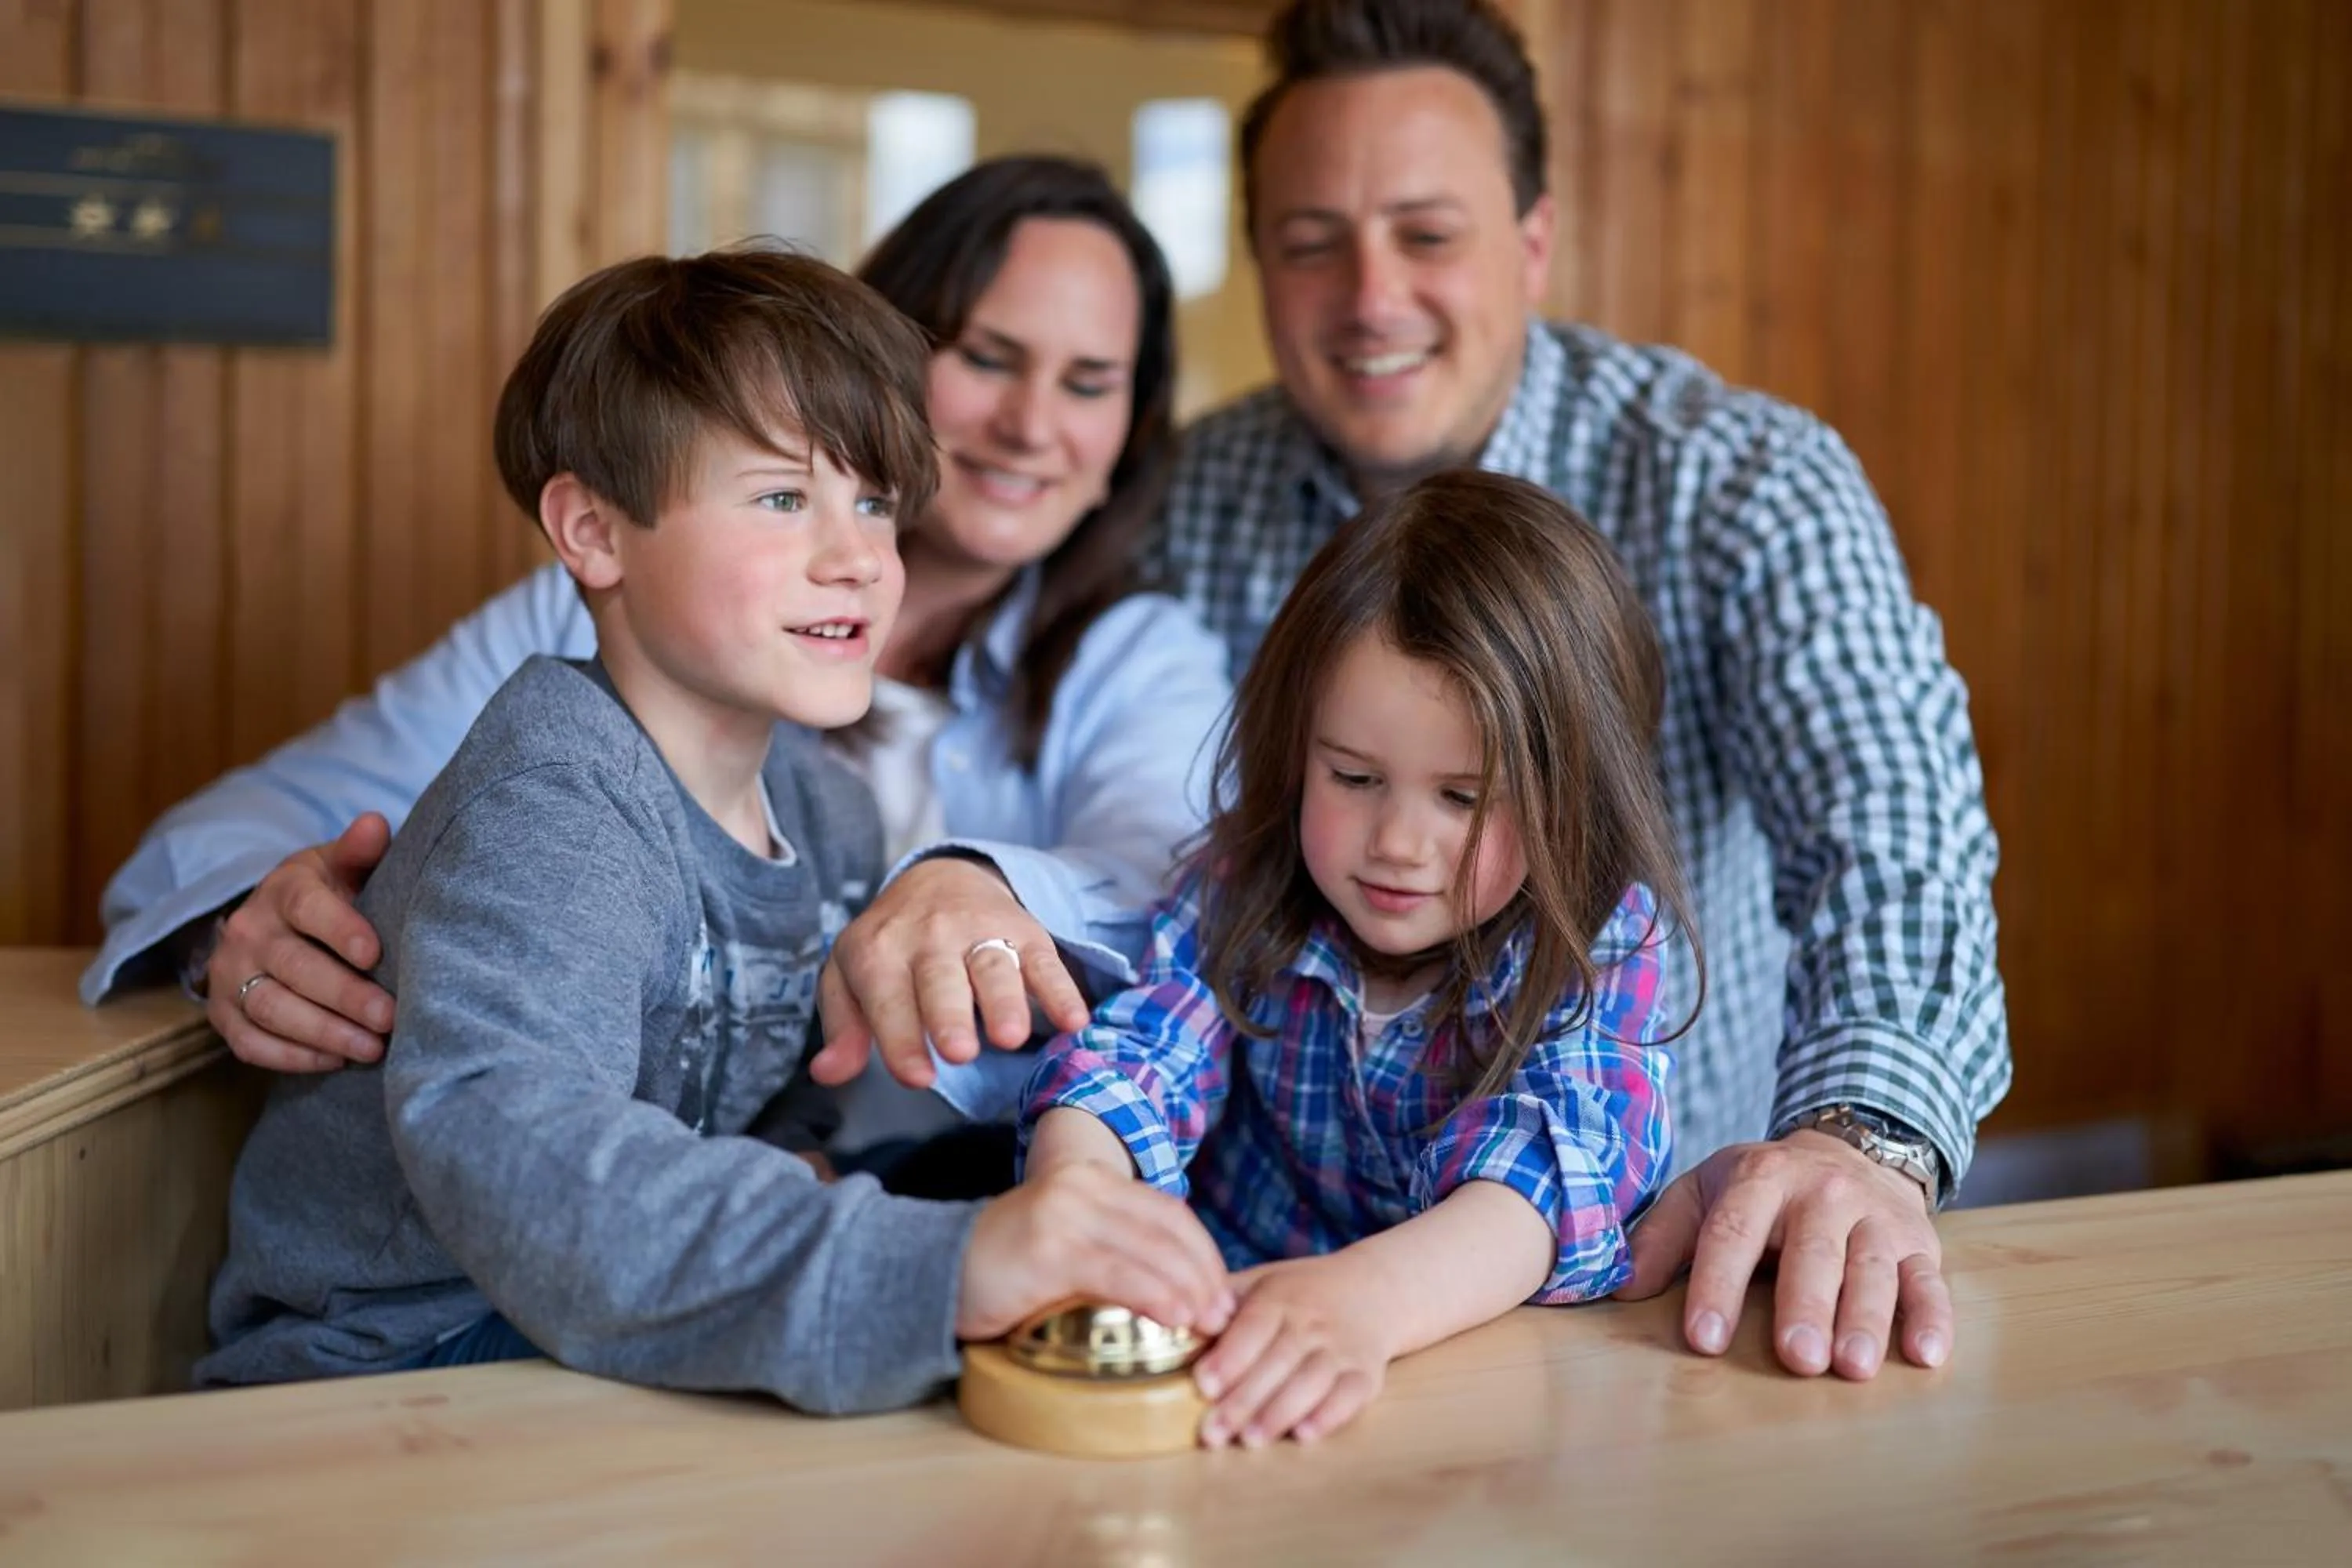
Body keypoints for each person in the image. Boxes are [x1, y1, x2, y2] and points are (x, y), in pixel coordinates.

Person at [198, 246, 1234, 1404]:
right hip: (406, 1358)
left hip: (584, 1306)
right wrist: (939, 1270)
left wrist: (817, 1163)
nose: (856, 560)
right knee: (931, 1372)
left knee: (991, 1235)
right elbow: (522, 1160)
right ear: (592, 534)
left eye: (875, 504)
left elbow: (758, 1071)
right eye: (784, 499)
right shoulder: (556, 806)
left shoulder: (823, 810)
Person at [1145, 0, 2009, 1382]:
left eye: (1428, 235)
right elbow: (1139, 847)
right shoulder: (1193, 495)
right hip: (1265, 1298)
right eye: (1313, 245)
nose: (1371, 297)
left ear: (1533, 240)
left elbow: (1894, 827)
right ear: (1259, 262)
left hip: (1648, 1305)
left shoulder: (1739, 485)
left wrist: (1863, 1139)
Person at [82, 158, 1232, 1189]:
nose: (1035, 424)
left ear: (1130, 432)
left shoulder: (1138, 653)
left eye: (1090, 383)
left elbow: (1191, 891)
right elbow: (249, 824)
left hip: (918, 1181)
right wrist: (246, 920)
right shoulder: (603, 617)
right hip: (584, 1236)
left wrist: (985, 881)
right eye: (988, 358)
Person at [1022, 470, 1686, 1447]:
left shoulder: (1597, 939)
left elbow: (1553, 1167)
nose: (1398, 843)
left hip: (1473, 1392)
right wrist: (1075, 1192)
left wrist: (1365, 1302)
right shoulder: (1241, 880)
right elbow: (1140, 1053)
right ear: (1296, 749)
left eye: (1464, 797)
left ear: (1576, 794)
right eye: (1355, 777)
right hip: (1226, 1346)